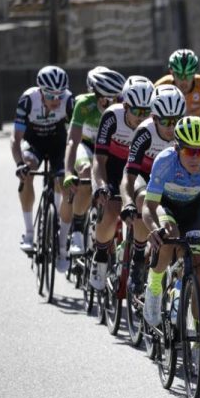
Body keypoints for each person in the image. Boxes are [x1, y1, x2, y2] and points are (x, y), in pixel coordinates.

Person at [142, 116, 200, 378]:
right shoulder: (165, 161)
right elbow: (149, 206)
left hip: (193, 209)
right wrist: (154, 229)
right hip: (166, 206)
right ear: (177, 148)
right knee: (168, 237)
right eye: (189, 151)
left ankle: (199, 342)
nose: (196, 157)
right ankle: (155, 286)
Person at [90, 76, 154, 291]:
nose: (142, 117)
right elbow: (99, 159)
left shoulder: (153, 125)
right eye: (137, 111)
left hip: (139, 172)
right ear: (125, 106)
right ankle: (100, 254)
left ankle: (138, 257)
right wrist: (100, 185)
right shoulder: (112, 117)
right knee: (111, 211)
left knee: (143, 209)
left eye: (147, 111)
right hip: (113, 168)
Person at [121, 85, 186, 293]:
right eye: (165, 122)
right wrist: (127, 202)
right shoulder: (144, 132)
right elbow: (129, 175)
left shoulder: (185, 131)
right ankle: (138, 256)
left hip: (171, 181)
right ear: (154, 118)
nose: (171, 127)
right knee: (143, 198)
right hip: (145, 176)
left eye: (175, 121)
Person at [12, 66, 74, 260]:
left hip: (58, 144)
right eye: (50, 95)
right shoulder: (28, 100)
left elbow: (74, 135)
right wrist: (19, 164)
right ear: (40, 91)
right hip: (34, 143)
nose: (56, 100)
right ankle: (29, 233)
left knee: (65, 183)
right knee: (27, 170)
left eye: (59, 95)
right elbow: (16, 138)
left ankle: (62, 244)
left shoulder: (69, 101)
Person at [64, 67, 126, 259]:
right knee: (86, 170)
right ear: (95, 95)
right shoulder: (84, 104)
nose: (111, 104)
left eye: (116, 99)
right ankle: (76, 230)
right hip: (87, 146)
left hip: (109, 151)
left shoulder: (123, 108)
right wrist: (68, 172)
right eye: (106, 99)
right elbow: (73, 141)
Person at [155, 49, 200, 119]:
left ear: (194, 73)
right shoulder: (160, 87)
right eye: (180, 75)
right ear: (171, 72)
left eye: (189, 75)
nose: (184, 80)